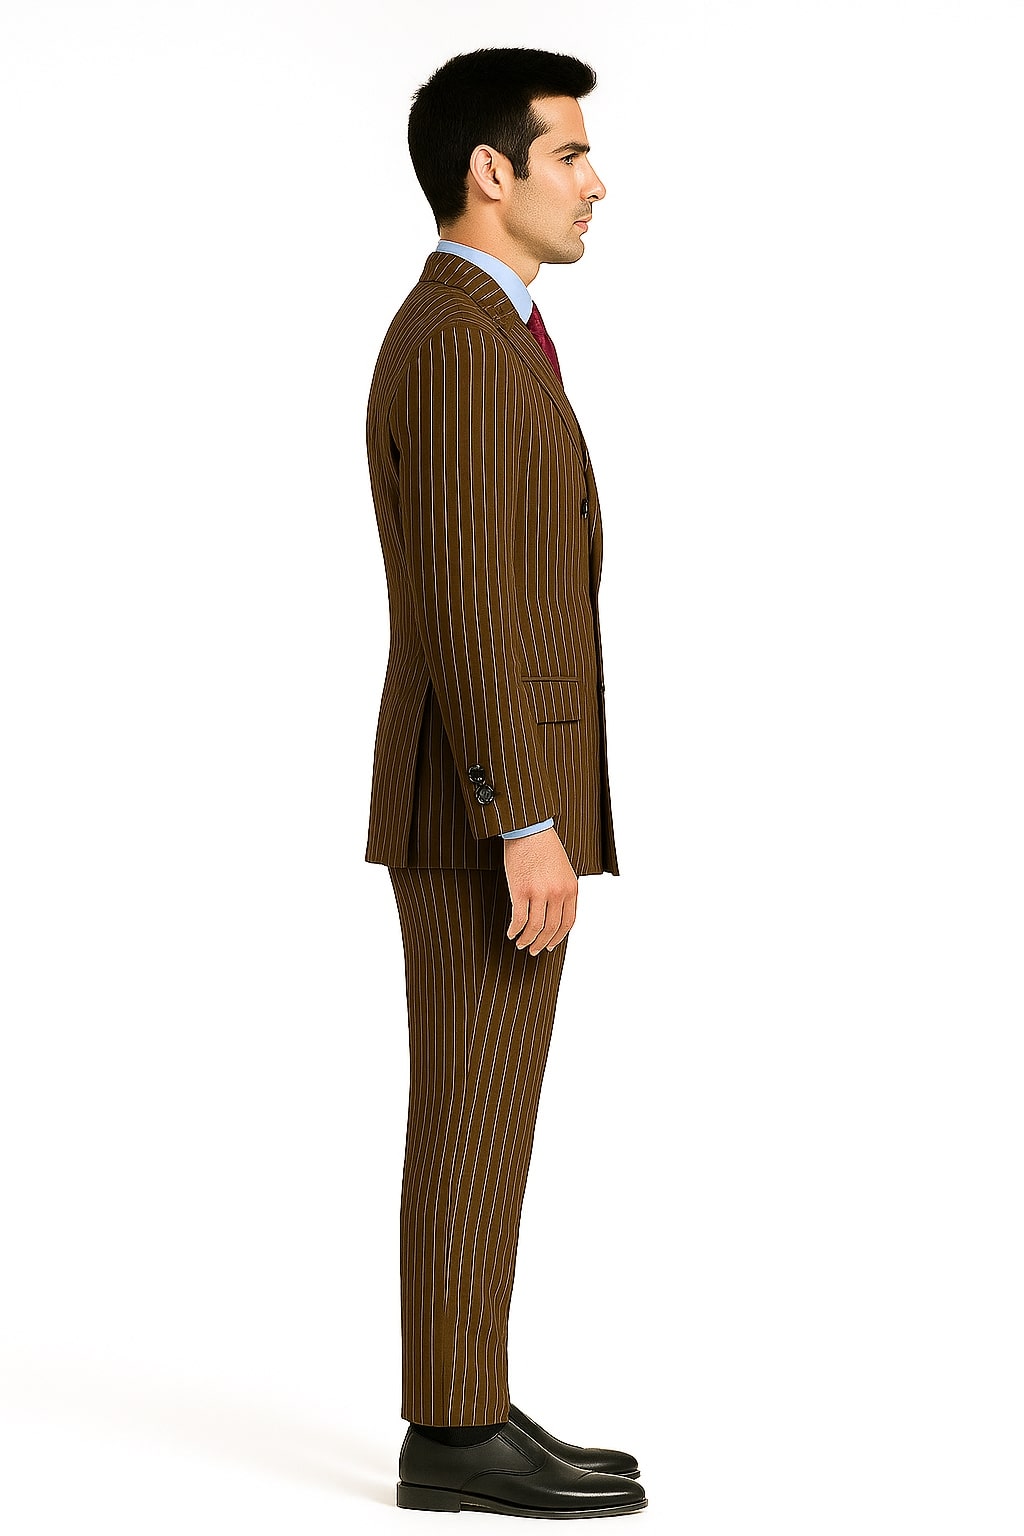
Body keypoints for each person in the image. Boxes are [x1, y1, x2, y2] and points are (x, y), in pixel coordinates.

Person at [363, 46, 646, 1519]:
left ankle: (468, 1403)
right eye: (571, 154)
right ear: (493, 171)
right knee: (472, 1111)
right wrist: (523, 819)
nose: (597, 182)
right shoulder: (463, 339)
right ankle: (455, 1435)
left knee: (484, 1110)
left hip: (492, 796)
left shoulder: (489, 329)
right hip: (484, 808)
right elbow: (470, 597)